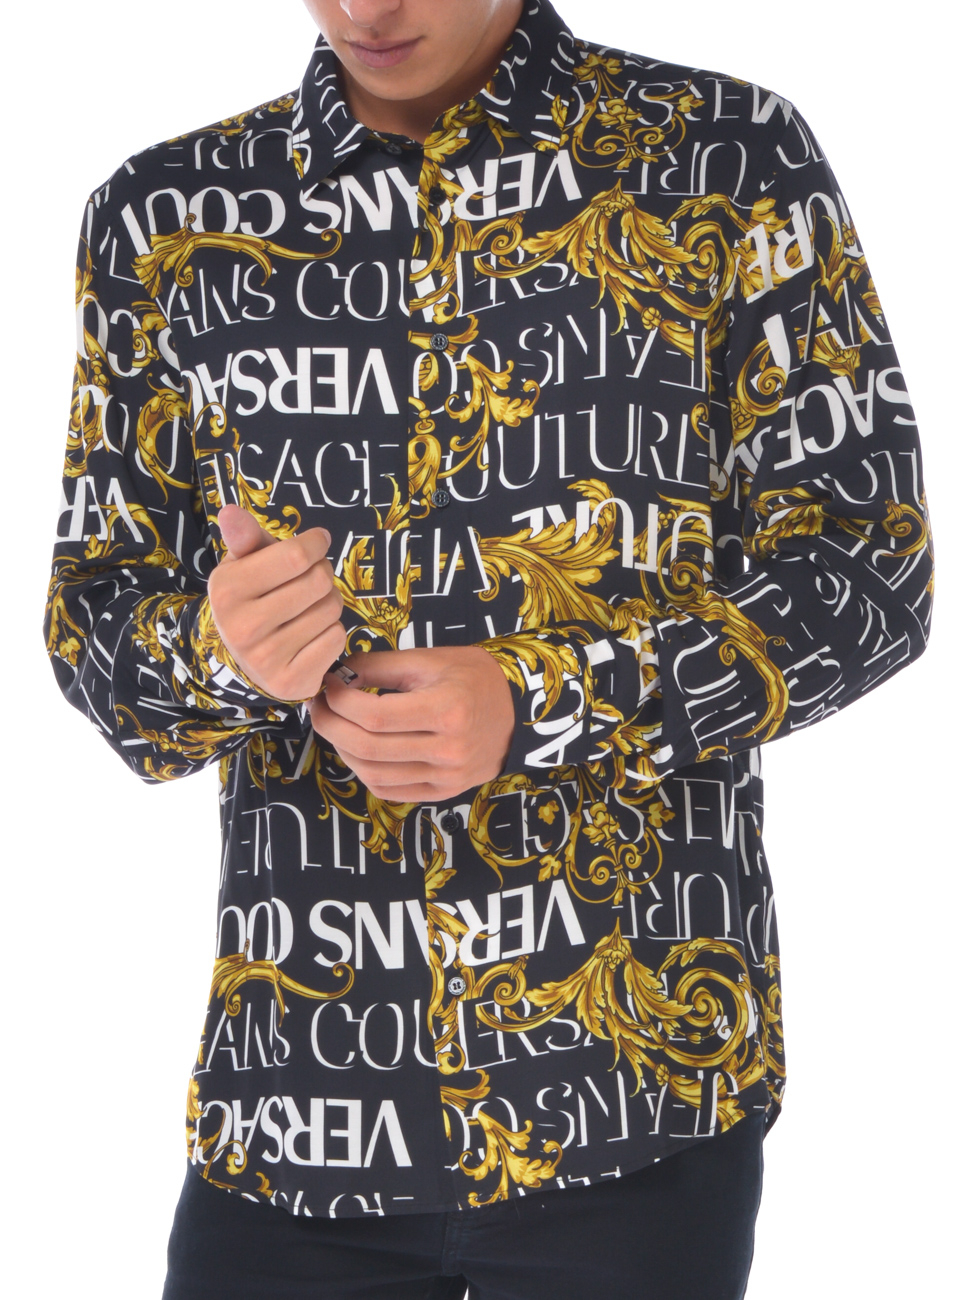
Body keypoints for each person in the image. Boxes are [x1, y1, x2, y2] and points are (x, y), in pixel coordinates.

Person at [44, 0, 933, 1295]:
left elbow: (868, 569)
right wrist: (219, 653)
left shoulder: (727, 162)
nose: (365, 9)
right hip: (295, 1106)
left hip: (635, 1104)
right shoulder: (166, 221)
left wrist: (545, 699)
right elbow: (93, 627)